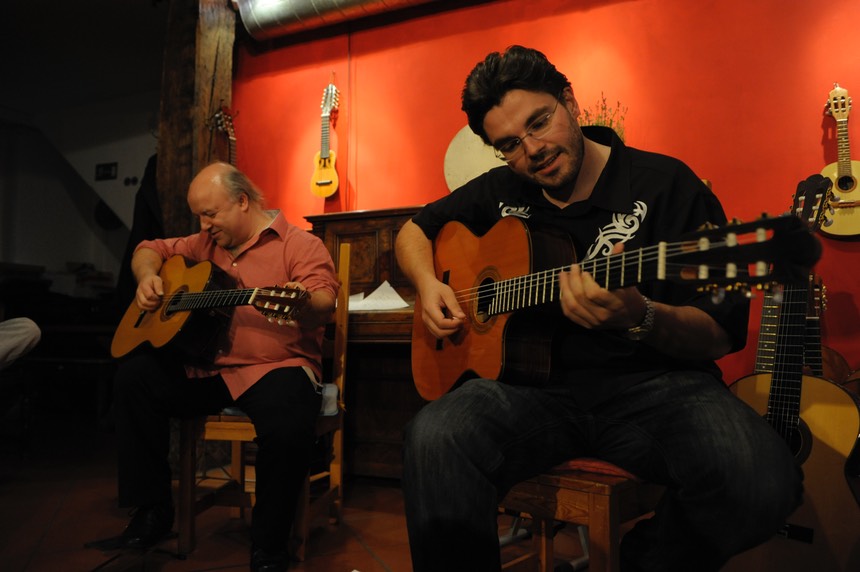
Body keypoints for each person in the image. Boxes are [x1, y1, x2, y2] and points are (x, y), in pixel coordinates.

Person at [395, 45, 802, 572]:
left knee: (761, 480)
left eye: (539, 123)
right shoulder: (501, 189)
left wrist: (641, 316)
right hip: (527, 395)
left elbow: (719, 333)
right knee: (432, 438)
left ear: (569, 100)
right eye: (510, 145)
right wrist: (429, 284)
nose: (533, 150)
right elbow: (413, 230)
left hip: (656, 390)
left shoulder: (665, 184)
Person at [106, 162, 338, 572]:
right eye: (199, 215)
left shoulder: (299, 246)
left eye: (211, 214)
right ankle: (153, 513)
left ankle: (268, 547)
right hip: (207, 370)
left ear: (243, 201)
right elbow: (149, 248)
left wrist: (302, 301)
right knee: (134, 379)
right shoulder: (202, 245)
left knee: (287, 423)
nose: (204, 224)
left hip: (275, 366)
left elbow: (323, 303)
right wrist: (146, 279)